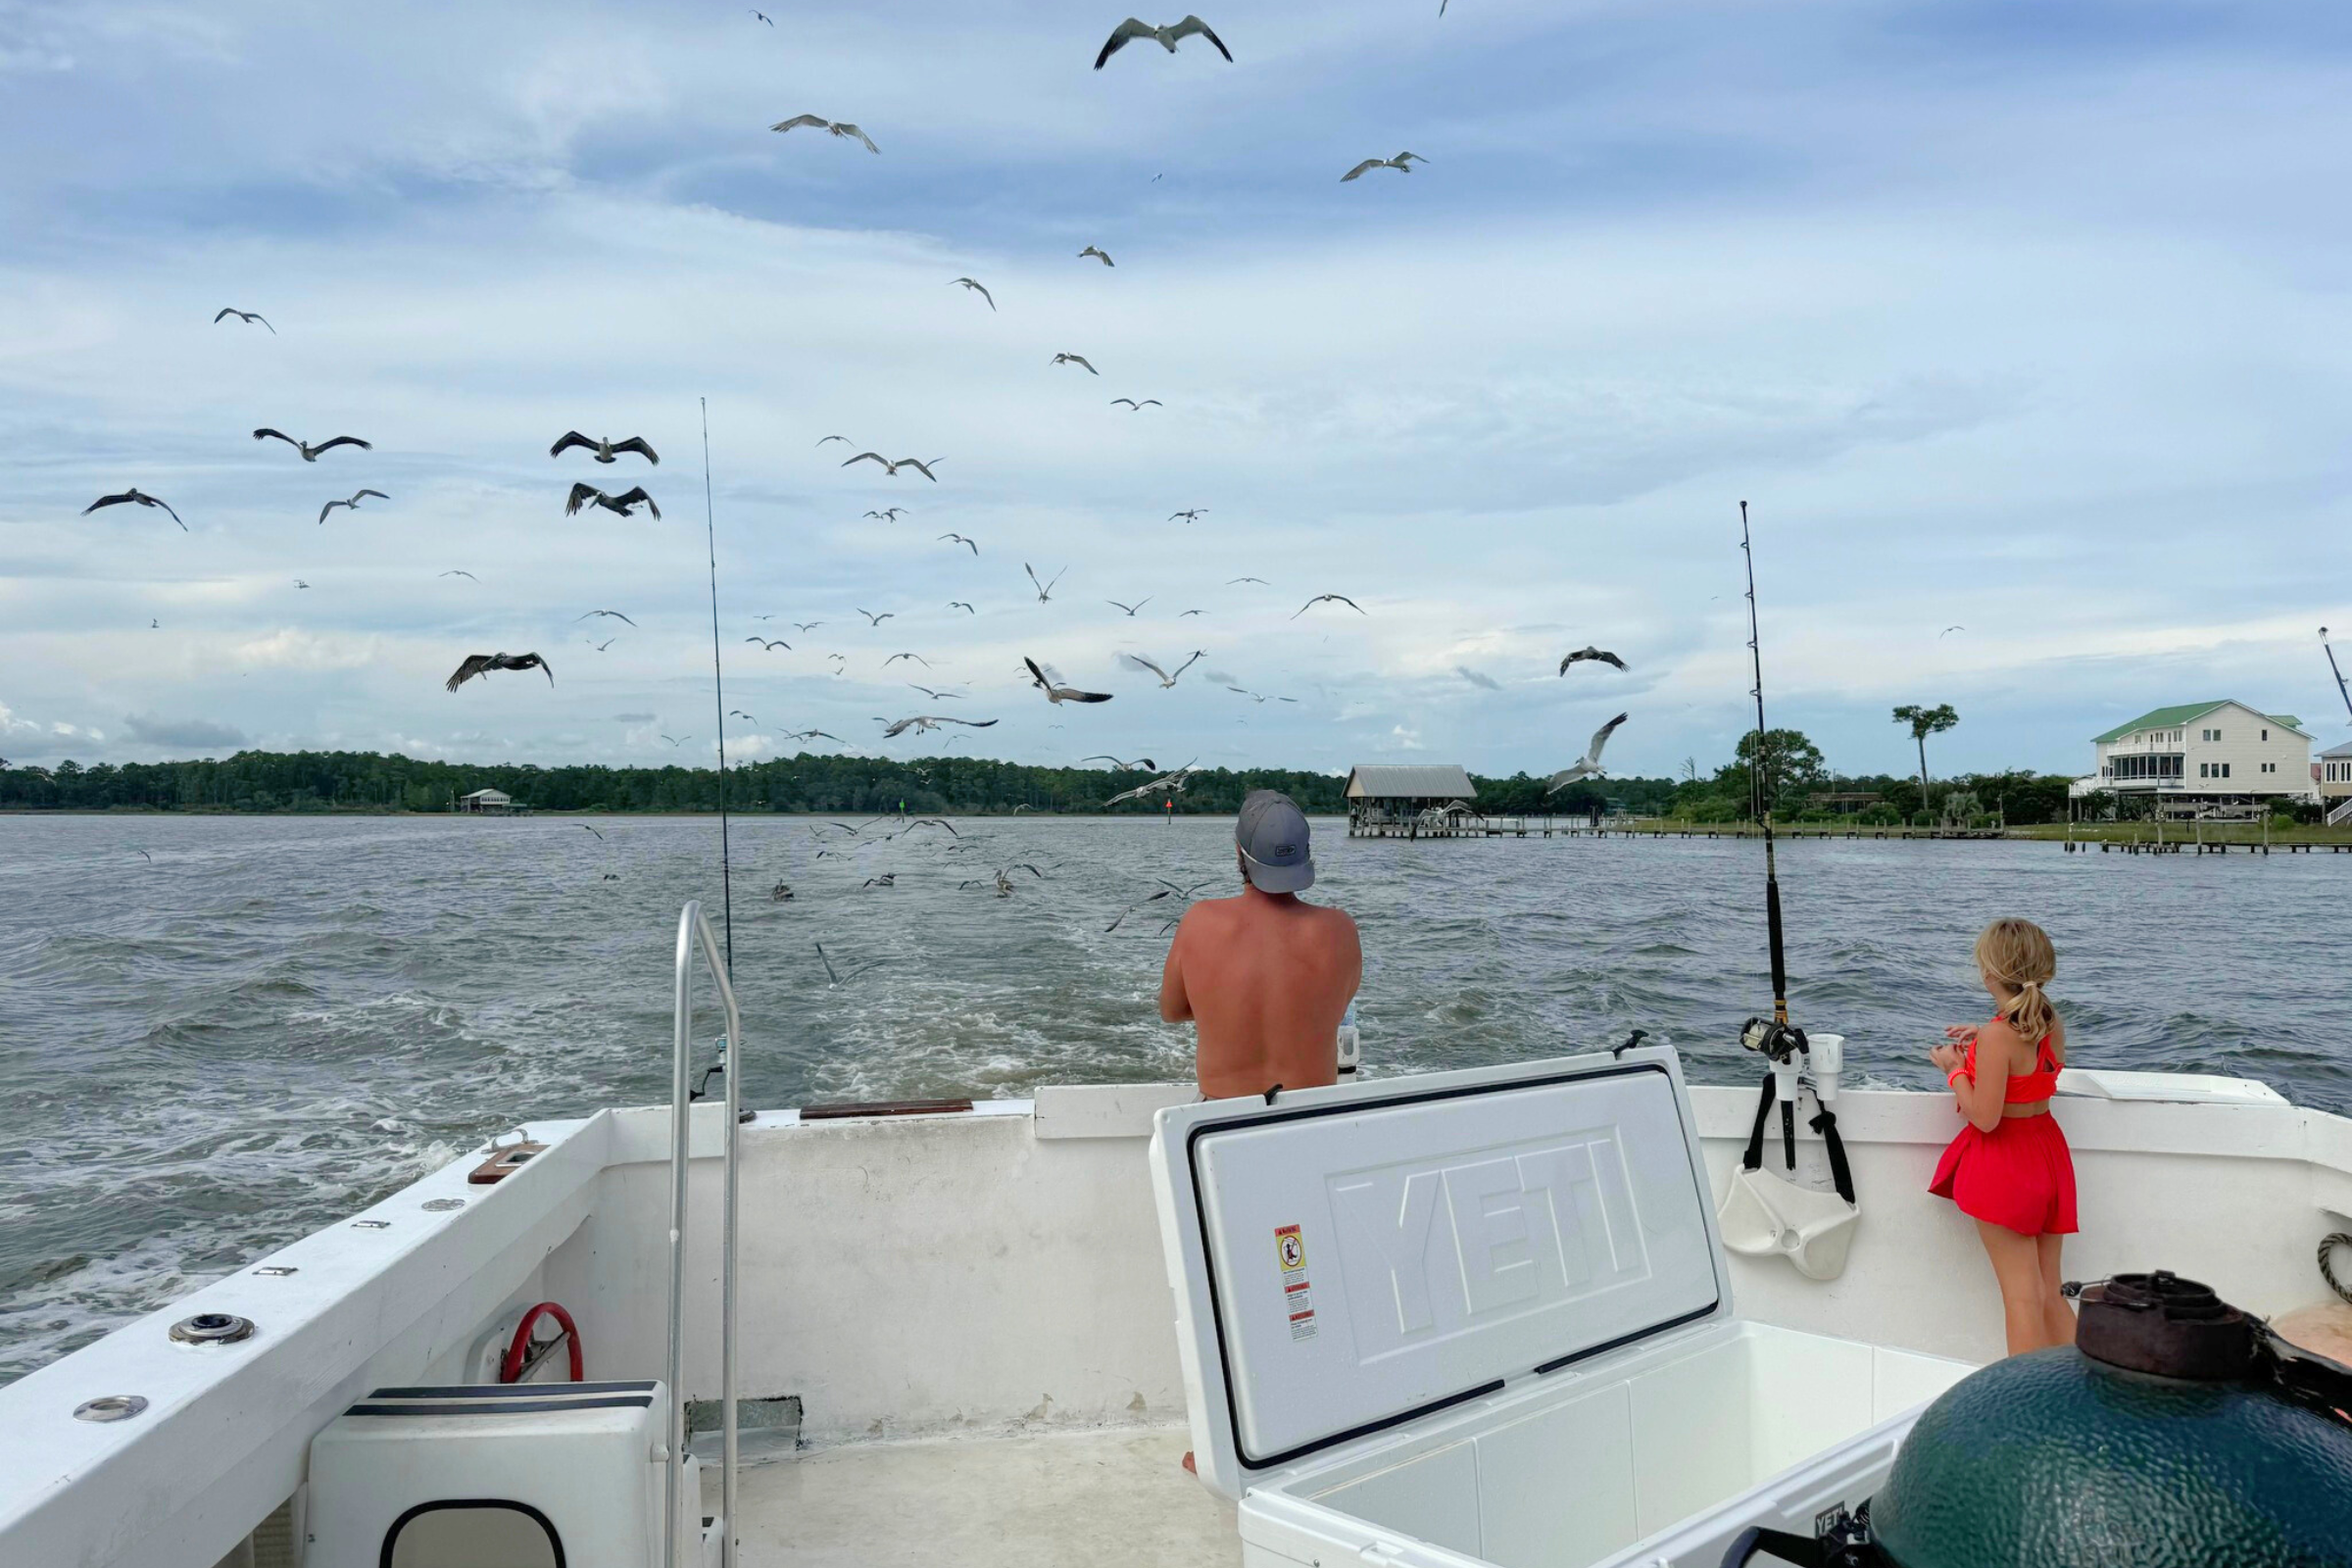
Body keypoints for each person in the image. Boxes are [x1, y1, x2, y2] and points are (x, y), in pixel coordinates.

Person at [1928, 917, 2079, 1356]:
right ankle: (2082, 1390)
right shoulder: (2050, 1021)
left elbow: (1985, 1117)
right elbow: (2029, 1062)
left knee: (2021, 1296)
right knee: (2049, 1291)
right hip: (2048, 1155)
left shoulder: (1997, 1036)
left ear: (1989, 973)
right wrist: (1983, 1040)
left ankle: (2025, 1404)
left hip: (2006, 1165)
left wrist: (1954, 1069)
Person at [1159, 789, 1361, 1100]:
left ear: (1239, 850)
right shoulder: (1340, 929)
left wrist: (1223, 1006)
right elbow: (1332, 1008)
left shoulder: (1199, 921)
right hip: (1311, 1119)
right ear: (1304, 854)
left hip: (1220, 1124)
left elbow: (1172, 1011)